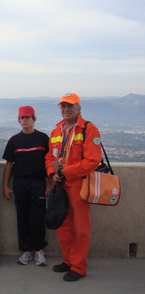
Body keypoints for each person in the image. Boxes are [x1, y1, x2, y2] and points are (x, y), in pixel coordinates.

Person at [45, 93, 102, 282]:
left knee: (81, 228)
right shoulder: (57, 131)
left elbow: (93, 160)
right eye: (63, 106)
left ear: (78, 108)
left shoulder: (88, 129)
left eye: (70, 106)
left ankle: (79, 267)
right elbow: (50, 158)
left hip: (79, 185)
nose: (65, 110)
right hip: (60, 186)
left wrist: (67, 172)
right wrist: (53, 174)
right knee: (63, 225)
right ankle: (68, 260)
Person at [2, 106, 51, 266]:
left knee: (37, 218)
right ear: (19, 120)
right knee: (22, 218)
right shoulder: (14, 140)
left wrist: (50, 184)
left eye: (28, 117)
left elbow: (50, 163)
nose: (25, 120)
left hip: (38, 182)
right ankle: (26, 251)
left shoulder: (43, 139)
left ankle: (38, 250)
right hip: (20, 182)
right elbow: (9, 163)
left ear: (34, 119)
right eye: (22, 118)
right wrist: (6, 186)